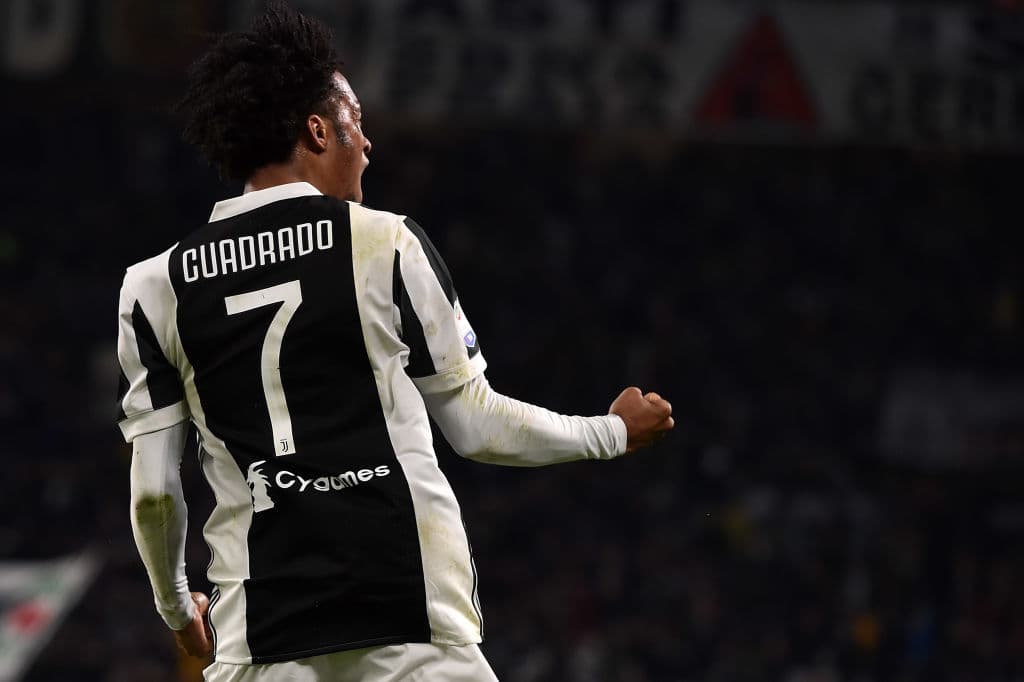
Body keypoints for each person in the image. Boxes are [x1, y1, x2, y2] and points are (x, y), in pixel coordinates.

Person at [115, 3, 674, 680]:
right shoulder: (383, 243)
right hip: (408, 629)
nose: (368, 144)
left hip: (259, 643)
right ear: (319, 130)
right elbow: (475, 425)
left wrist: (177, 609)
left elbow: (153, 494)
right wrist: (609, 433)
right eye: (357, 122)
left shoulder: (154, 286)